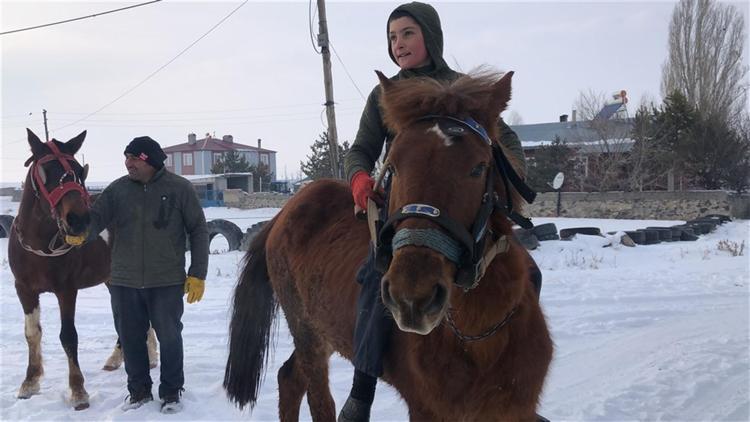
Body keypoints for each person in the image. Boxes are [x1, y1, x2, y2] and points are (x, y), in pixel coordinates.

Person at [339, 3, 542, 422]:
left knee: (529, 273)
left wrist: (502, 177)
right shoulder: (386, 94)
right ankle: (362, 390)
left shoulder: (463, 89)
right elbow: (361, 148)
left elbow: (507, 142)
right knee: (375, 286)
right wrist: (360, 178)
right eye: (393, 37)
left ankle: (511, 381)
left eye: (408, 33)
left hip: (459, 207)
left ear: (430, 35)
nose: (399, 44)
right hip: (404, 207)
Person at [70, 136, 209, 414]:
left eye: (134, 158)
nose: (128, 163)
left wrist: (198, 273)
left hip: (166, 280)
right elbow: (97, 218)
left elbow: (198, 230)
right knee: (131, 338)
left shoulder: (180, 188)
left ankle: (171, 392)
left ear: (150, 161)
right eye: (127, 157)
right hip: (123, 280)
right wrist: (82, 231)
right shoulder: (117, 190)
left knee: (170, 337)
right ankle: (139, 392)